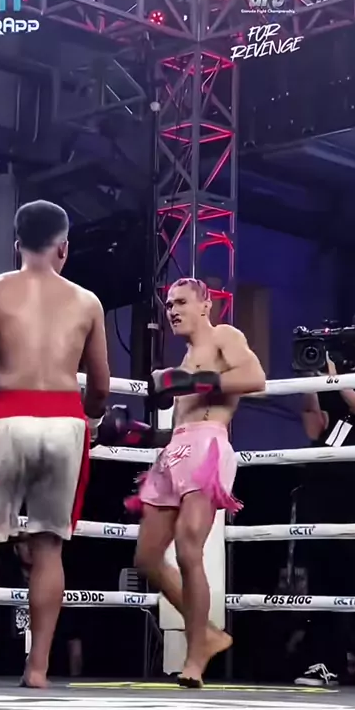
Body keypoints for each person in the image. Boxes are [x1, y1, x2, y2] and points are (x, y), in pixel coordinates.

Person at [0, 199, 110, 688]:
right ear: (63, 248)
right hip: (66, 424)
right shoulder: (87, 302)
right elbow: (99, 384)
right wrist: (91, 423)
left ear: (17, 246)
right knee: (49, 545)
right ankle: (38, 669)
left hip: (10, 416)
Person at [133, 278, 266, 688]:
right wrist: (139, 435)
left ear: (206, 305)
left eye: (181, 302)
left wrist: (192, 382)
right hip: (174, 451)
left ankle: (195, 658)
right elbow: (181, 422)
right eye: (169, 304)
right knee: (147, 558)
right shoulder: (187, 357)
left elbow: (255, 377)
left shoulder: (224, 336)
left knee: (189, 550)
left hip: (207, 448)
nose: (172, 310)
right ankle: (206, 634)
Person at [293, 353, 355, 688]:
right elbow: (313, 424)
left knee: (353, 577)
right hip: (323, 494)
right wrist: (311, 382)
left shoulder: (344, 385)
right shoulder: (338, 386)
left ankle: (352, 655)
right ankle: (324, 661)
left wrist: (335, 381)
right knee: (322, 579)